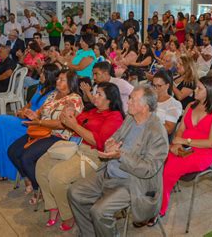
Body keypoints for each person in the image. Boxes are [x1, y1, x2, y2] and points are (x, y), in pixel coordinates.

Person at [67, 85, 169, 237]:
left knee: (99, 212)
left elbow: (148, 169)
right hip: (109, 171)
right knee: (74, 193)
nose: (127, 103)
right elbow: (116, 136)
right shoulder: (130, 118)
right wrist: (110, 143)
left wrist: (120, 155)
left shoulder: (157, 133)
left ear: (145, 107)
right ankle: (90, 233)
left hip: (132, 182)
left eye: (132, 100)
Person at [35, 82, 125, 230]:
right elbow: (71, 121)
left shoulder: (114, 117)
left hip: (94, 155)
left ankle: (68, 215)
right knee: (42, 165)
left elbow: (99, 143)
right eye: (95, 92)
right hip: (74, 146)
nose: (94, 96)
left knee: (57, 177)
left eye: (99, 94)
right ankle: (54, 205)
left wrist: (74, 125)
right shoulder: (93, 110)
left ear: (110, 99)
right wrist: (69, 110)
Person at [0, 64, 59, 185]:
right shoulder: (40, 87)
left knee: (0, 121)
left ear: (50, 76)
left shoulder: (53, 94)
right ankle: (0, 169)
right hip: (25, 119)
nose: (40, 75)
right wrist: (22, 110)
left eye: (43, 73)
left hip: (33, 124)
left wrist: (25, 114)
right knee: (1, 132)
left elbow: (40, 113)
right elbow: (30, 104)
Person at [8, 70, 83, 202]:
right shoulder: (53, 94)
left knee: (27, 157)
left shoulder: (74, 100)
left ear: (71, 83)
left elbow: (63, 124)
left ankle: (40, 189)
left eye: (62, 79)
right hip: (42, 130)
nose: (57, 81)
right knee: (12, 151)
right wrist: (34, 115)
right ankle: (29, 180)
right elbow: (41, 112)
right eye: (58, 78)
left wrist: (40, 121)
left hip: (59, 136)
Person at [157, 76, 212, 220]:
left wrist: (185, 140)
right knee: (158, 159)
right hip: (184, 148)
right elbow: (180, 129)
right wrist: (178, 144)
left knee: (169, 168)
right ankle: (152, 198)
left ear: (209, 91)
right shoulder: (191, 106)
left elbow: (211, 143)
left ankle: (160, 208)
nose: (195, 90)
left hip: (202, 153)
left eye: (199, 88)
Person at [152, 70, 183, 136]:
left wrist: (148, 121)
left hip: (158, 137)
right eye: (154, 85)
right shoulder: (150, 98)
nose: (155, 88)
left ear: (167, 85)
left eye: (159, 86)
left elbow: (169, 129)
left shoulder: (174, 104)